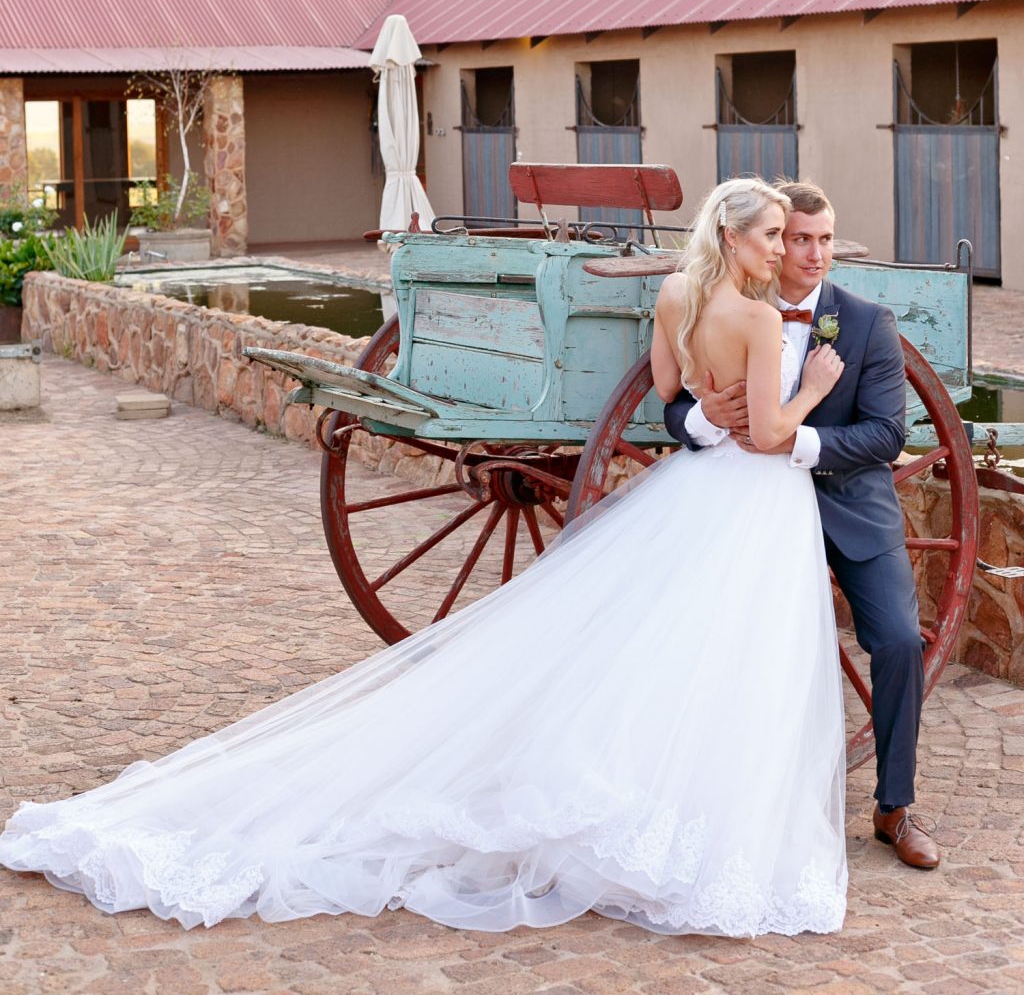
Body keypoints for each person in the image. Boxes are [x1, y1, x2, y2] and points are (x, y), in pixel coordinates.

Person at [0, 178, 850, 938]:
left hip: (699, 491)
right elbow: (775, 435)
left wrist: (706, 407)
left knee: (684, 646)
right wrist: (811, 385)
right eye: (773, 235)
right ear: (734, 238)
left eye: (789, 236)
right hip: (750, 498)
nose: (784, 250)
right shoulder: (763, 318)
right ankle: (701, 813)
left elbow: (667, 389)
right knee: (737, 655)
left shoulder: (674, 292)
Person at [664, 179, 939, 870]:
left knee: (900, 640)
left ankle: (896, 809)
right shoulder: (729, 301)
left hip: (848, 501)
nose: (817, 255)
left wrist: (797, 443)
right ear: (771, 239)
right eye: (801, 239)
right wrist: (705, 419)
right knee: (720, 644)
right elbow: (670, 405)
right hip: (747, 506)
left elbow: (884, 434)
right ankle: (723, 800)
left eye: (826, 240)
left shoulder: (867, 320)